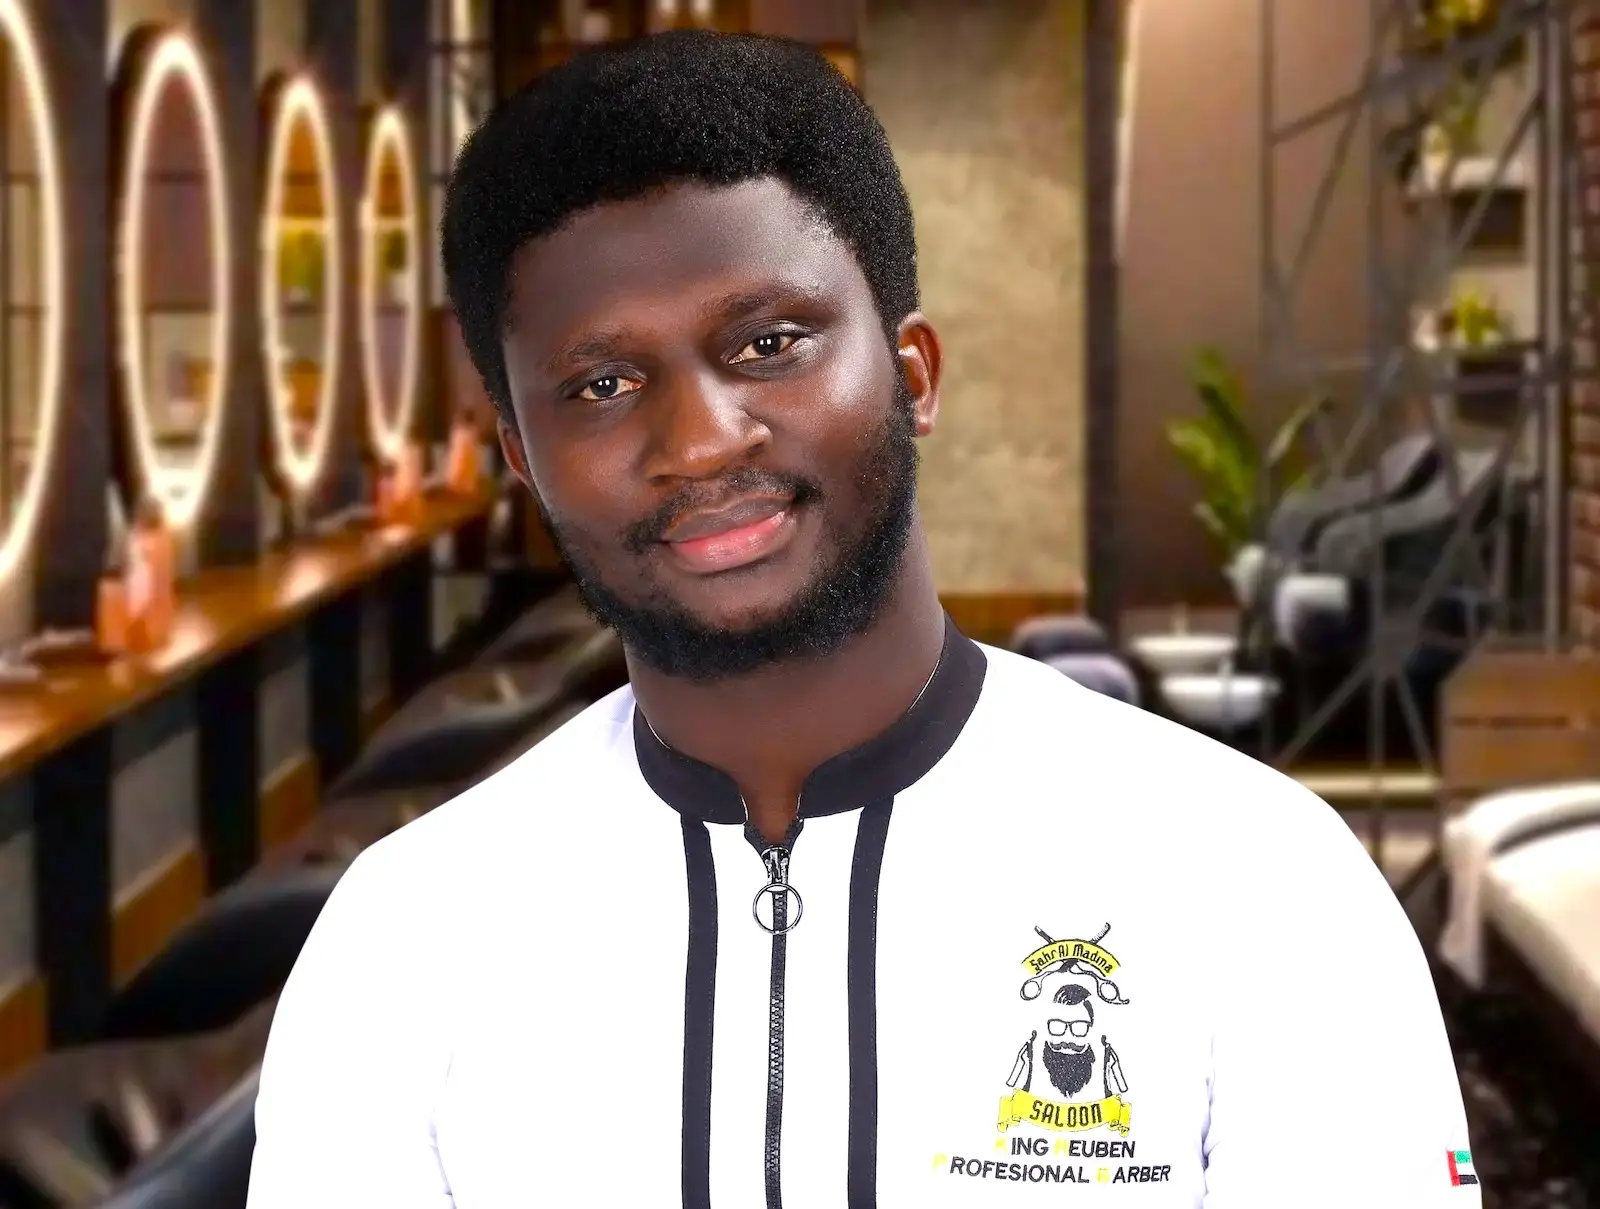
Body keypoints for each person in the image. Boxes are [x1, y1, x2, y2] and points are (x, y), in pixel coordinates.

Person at [245, 29, 1478, 1209]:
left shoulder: (1256, 883)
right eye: (603, 385)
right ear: (522, 452)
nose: (699, 441)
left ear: (913, 374)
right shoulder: (406, 942)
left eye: (768, 343)